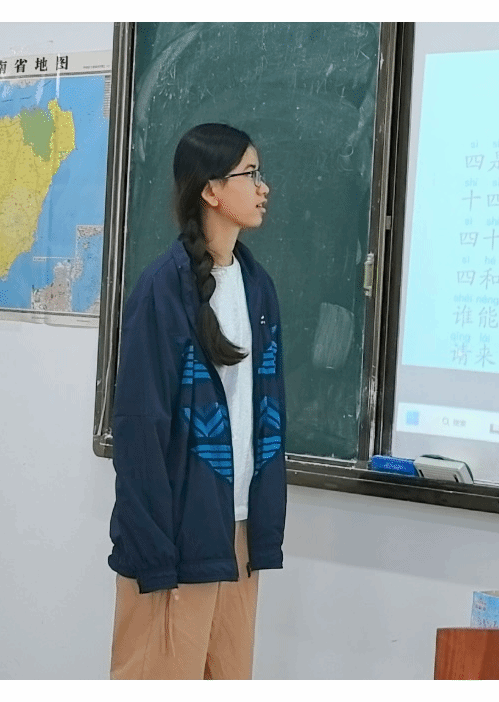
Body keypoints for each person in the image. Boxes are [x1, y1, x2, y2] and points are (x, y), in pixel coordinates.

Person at [107, 123, 286, 679]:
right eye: (250, 174)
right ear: (211, 190)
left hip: (239, 534)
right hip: (176, 536)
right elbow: (139, 430)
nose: (263, 187)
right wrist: (152, 552)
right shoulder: (162, 289)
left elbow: (266, 413)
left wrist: (263, 528)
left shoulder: (258, 287)